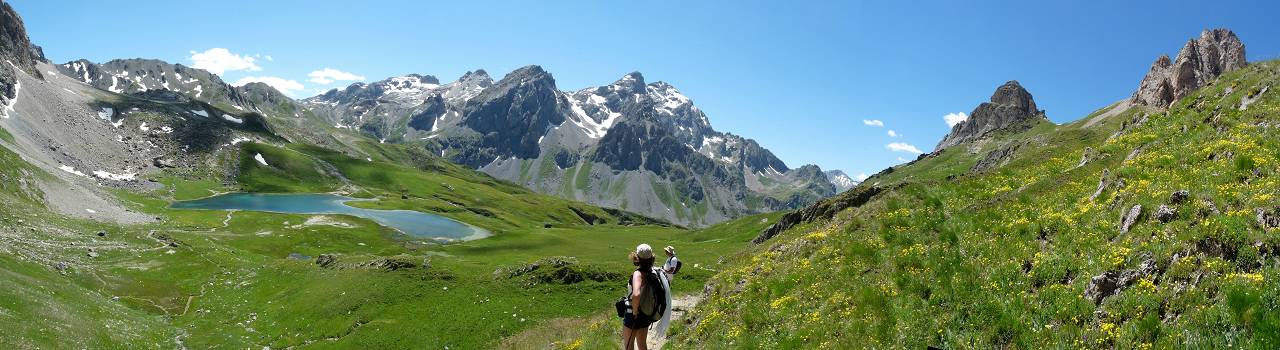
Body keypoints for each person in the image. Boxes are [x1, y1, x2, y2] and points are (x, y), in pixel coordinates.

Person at [621, 244, 671, 350]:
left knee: (628, 344)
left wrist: (634, 313)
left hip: (633, 315)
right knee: (642, 344)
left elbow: (636, 294)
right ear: (651, 258)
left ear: (637, 257)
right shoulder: (653, 272)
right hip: (646, 314)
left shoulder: (638, 274)